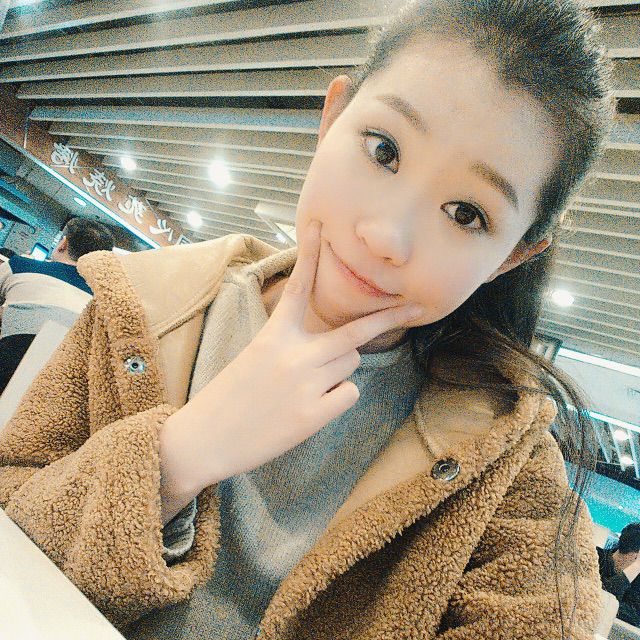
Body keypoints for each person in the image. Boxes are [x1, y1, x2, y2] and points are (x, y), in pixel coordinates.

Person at [0, 1, 616, 638]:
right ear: (332, 119)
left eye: (466, 214)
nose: (386, 234)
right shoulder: (147, 305)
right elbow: (11, 511)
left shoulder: (512, 470)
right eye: (383, 150)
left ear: (510, 258)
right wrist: (178, 456)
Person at [0, 217, 114, 393]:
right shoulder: (104, 305)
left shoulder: (19, 266)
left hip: (6, 369)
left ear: (63, 244)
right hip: (56, 391)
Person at [598, 523, 640, 627]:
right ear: (635, 556)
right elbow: (598, 598)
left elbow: (635, 618)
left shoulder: (637, 581)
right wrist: (635, 567)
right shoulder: (593, 557)